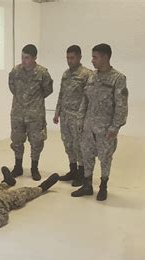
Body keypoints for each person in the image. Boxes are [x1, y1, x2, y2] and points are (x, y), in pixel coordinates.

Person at [72, 44, 129, 201]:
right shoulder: (92, 76)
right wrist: (80, 119)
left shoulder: (118, 79)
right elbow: (85, 100)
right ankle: (87, 185)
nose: (92, 61)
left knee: (105, 158)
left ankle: (103, 186)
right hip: (88, 127)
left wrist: (115, 126)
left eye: (95, 57)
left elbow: (121, 106)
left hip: (105, 129)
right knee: (87, 155)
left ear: (105, 57)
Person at [8, 44, 54, 181]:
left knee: (36, 141)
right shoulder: (15, 71)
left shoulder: (42, 73)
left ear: (34, 58)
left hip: (35, 114)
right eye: (22, 57)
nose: (24, 60)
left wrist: (34, 101)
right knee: (17, 140)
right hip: (18, 112)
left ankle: (34, 168)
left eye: (27, 58)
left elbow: (48, 90)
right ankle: (18, 166)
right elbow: (12, 87)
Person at [53, 45, 93, 187]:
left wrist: (84, 118)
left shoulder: (87, 74)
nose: (69, 61)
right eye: (67, 58)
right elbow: (61, 94)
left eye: (72, 58)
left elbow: (89, 98)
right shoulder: (66, 74)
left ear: (79, 57)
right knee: (68, 144)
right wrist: (57, 112)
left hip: (78, 117)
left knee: (79, 146)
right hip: (65, 116)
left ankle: (82, 174)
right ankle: (73, 170)